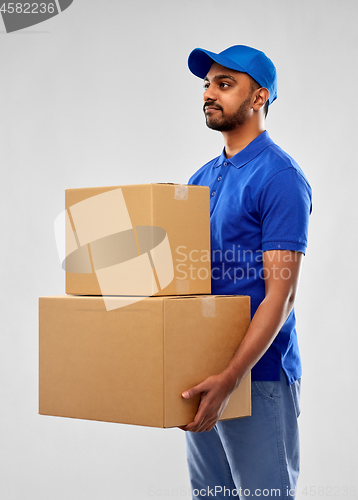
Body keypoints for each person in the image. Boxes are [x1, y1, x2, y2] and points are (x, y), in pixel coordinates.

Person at [180, 45, 312, 500]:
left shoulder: (279, 177)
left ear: (259, 98)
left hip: (256, 378)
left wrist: (231, 377)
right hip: (201, 374)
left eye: (224, 84)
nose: (208, 94)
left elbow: (282, 295)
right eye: (206, 84)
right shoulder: (201, 178)